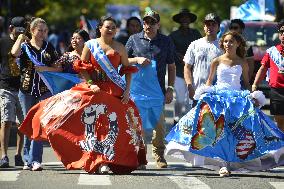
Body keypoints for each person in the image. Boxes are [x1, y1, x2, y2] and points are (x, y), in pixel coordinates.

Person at [19, 16, 147, 174]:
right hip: (93, 89)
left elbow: (127, 70)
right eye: (108, 26)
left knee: (124, 122)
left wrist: (127, 90)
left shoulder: (120, 47)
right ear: (100, 28)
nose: (111, 29)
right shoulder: (90, 45)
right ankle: (99, 161)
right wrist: (91, 83)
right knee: (89, 123)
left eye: (114, 27)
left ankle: (113, 160)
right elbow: (82, 67)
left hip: (114, 90)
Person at [166, 31, 284, 177]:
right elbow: (209, 82)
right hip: (219, 98)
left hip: (237, 100)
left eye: (231, 42)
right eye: (226, 41)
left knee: (236, 131)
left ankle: (232, 161)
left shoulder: (242, 62)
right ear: (222, 43)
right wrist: (205, 94)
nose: (228, 44)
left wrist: (252, 96)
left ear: (238, 44)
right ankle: (222, 164)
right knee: (217, 131)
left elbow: (246, 83)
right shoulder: (216, 61)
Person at [126, 9, 176, 169]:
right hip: (137, 89)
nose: (148, 25)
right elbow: (123, 61)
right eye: (146, 22)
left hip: (157, 90)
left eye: (152, 22)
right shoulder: (134, 39)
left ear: (158, 24)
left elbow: (172, 66)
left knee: (159, 125)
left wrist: (170, 88)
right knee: (137, 125)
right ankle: (140, 157)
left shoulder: (166, 41)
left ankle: (159, 154)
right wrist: (137, 59)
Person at [11, 17, 60, 171]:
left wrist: (46, 69)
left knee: (38, 124)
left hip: (44, 91)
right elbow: (13, 53)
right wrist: (19, 38)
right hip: (26, 91)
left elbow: (58, 68)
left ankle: (36, 159)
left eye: (45, 31)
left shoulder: (49, 47)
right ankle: (27, 159)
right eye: (39, 30)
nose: (42, 33)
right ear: (32, 30)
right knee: (27, 124)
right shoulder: (24, 46)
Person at [0, 17, 26, 168]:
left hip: (23, 88)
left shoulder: (26, 42)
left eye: (24, 29)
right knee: (6, 121)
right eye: (19, 29)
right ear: (11, 28)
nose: (22, 32)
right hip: (6, 86)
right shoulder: (3, 42)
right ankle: (4, 156)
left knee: (22, 124)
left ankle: (18, 154)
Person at [169, 8, 202, 123]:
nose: (185, 20)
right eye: (182, 17)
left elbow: (200, 49)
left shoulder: (196, 34)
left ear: (190, 20)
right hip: (178, 71)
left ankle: (189, 122)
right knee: (179, 99)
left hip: (193, 72)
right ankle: (176, 120)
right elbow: (170, 51)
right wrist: (182, 58)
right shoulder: (173, 35)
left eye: (187, 17)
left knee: (190, 100)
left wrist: (190, 59)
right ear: (179, 20)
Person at [184, 13, 222, 105]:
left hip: (216, 93)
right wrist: (189, 86)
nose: (210, 27)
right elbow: (187, 67)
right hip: (197, 92)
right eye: (208, 24)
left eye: (213, 24)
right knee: (197, 119)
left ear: (219, 28)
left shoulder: (223, 45)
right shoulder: (194, 44)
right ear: (204, 27)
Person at [252, 20, 284, 132]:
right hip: (276, 91)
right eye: (281, 32)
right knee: (279, 120)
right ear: (279, 34)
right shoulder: (271, 51)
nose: (283, 34)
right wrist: (255, 84)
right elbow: (263, 69)